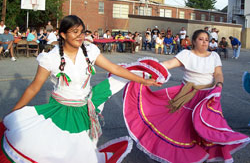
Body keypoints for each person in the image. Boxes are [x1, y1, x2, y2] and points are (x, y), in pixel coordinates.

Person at [0, 15, 159, 163]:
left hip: (84, 109)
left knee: (82, 151)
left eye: (82, 32)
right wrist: (15, 111)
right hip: (60, 110)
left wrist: (143, 80)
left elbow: (115, 69)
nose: (80, 36)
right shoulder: (50, 59)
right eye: (74, 32)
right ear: (62, 35)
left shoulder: (90, 52)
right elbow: (34, 88)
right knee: (52, 148)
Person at [121, 29, 250, 163]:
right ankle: (185, 155)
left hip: (208, 95)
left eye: (206, 39)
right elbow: (167, 65)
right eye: (201, 39)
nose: (204, 42)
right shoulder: (187, 54)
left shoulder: (214, 56)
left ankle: (204, 153)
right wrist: (145, 71)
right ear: (194, 41)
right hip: (186, 95)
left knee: (209, 126)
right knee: (183, 127)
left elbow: (218, 74)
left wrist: (219, 85)